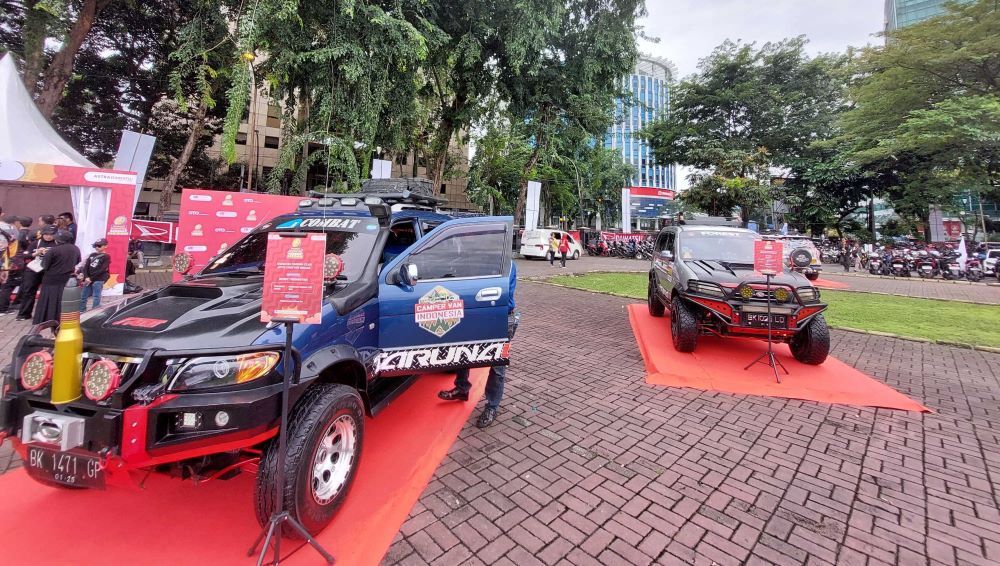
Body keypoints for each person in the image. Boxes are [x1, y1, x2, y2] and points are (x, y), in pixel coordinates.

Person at [438, 262, 519, 428]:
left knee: (497, 364)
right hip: (475, 314)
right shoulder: (474, 259)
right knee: (462, 352)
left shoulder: (506, 262)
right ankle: (462, 389)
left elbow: (502, 293)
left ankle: (492, 406)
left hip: (499, 316)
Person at [33, 230, 81, 325]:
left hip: (51, 280)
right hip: (67, 279)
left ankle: (48, 321)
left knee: (49, 302)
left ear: (58, 240)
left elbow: (44, 265)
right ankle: (62, 320)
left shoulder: (53, 250)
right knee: (63, 302)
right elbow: (77, 261)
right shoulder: (76, 248)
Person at [15, 225, 57, 320]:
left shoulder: (57, 243)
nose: (48, 236)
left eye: (51, 234)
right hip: (34, 269)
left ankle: (45, 315)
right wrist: (36, 253)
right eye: (46, 234)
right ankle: (24, 314)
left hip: (49, 270)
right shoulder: (36, 243)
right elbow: (25, 255)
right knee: (29, 291)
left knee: (47, 292)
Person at [0, 216, 29, 315]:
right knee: (7, 285)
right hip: (8, 261)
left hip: (6, 260)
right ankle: (2, 308)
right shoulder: (11, 229)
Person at [79, 238, 111, 311]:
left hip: (98, 279)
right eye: (95, 245)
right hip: (88, 278)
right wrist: (86, 277)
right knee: (83, 296)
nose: (97, 247)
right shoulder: (91, 255)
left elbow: (102, 269)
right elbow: (86, 267)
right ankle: (81, 310)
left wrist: (91, 278)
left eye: (99, 246)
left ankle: (94, 310)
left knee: (96, 296)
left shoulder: (106, 256)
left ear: (105, 246)